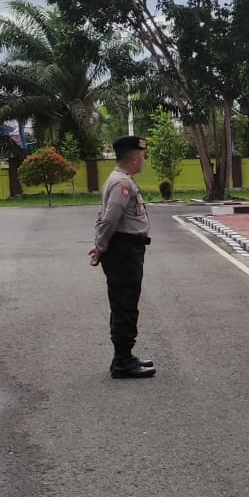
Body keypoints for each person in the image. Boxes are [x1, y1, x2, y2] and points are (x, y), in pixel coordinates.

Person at [90, 134, 155, 379]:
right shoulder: (121, 184)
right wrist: (101, 247)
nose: (144, 161)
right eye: (142, 156)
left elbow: (105, 217)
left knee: (125, 303)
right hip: (124, 251)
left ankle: (125, 356)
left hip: (124, 250)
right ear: (134, 157)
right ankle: (122, 361)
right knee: (125, 304)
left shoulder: (119, 180)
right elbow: (109, 219)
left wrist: (100, 246)